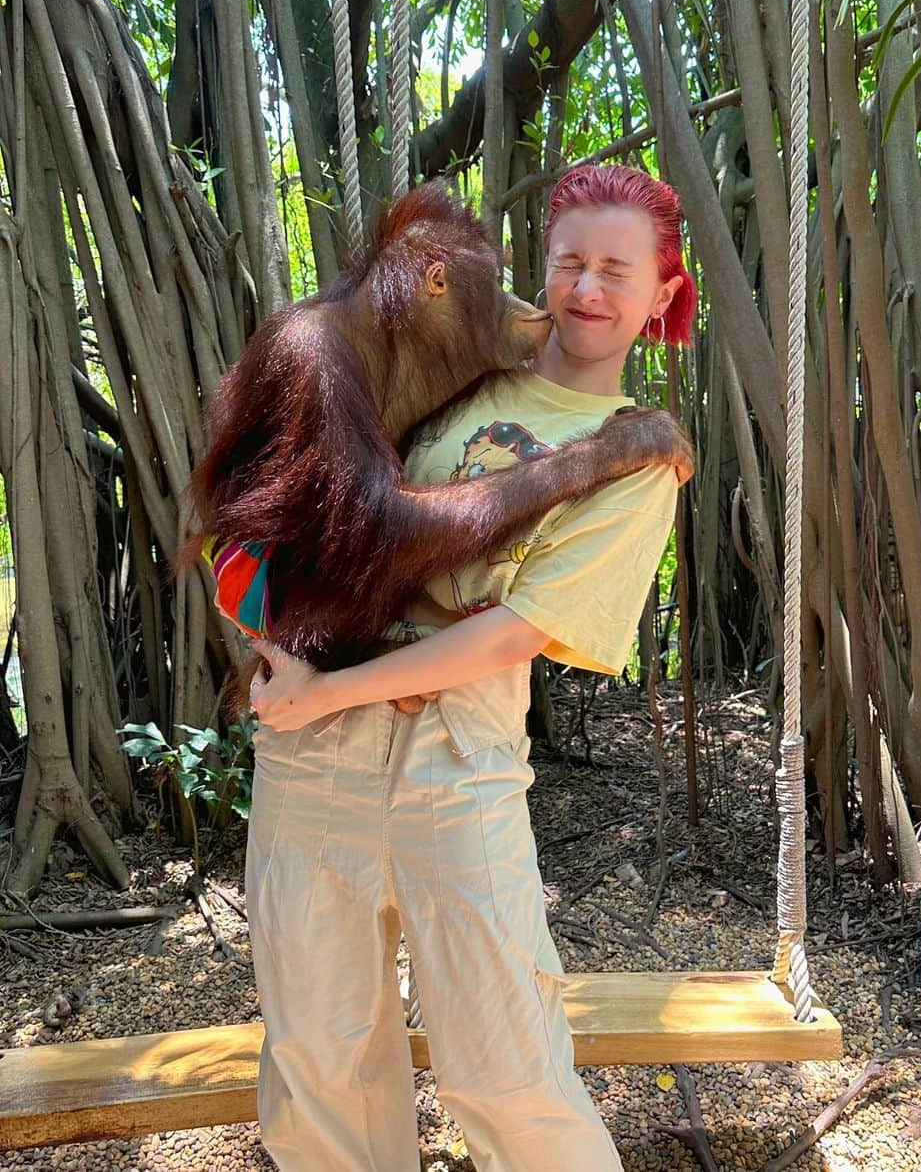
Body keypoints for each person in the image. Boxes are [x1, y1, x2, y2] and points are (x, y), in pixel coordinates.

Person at [244, 163, 697, 1171]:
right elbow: (332, 504)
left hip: (454, 761)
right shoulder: (479, 338)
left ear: (662, 293)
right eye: (569, 261)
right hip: (315, 754)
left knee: (505, 1068)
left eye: (616, 271)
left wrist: (329, 688)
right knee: (320, 1062)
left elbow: (510, 632)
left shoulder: (636, 462)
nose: (585, 289)